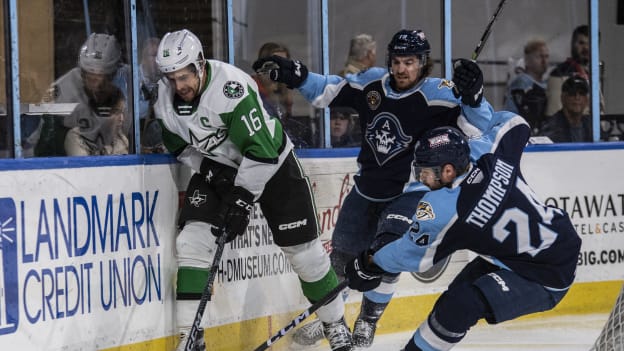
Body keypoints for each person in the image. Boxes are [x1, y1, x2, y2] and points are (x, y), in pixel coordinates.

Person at [253, 29, 493, 348]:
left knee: (387, 254)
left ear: (424, 63)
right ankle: (329, 317)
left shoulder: (441, 94)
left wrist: (474, 96)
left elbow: (479, 127)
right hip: (365, 189)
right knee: (340, 258)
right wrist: (294, 75)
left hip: (408, 192)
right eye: (397, 61)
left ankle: (367, 322)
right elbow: (328, 91)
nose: (402, 68)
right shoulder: (372, 84)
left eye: (410, 62)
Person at [152, 29, 353, 351]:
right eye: (172, 78)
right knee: (192, 241)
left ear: (200, 64)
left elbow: (262, 153)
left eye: (184, 76)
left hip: (272, 164)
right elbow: (179, 147)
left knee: (306, 255)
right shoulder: (165, 99)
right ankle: (190, 337)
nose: (179, 86)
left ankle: (334, 323)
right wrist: (210, 170)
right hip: (220, 167)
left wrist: (242, 201)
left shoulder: (230, 90)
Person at [344, 119, 582, 351]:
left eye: (425, 172)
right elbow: (516, 124)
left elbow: (409, 256)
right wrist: (475, 99)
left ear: (448, 171)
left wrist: (370, 262)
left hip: (547, 275)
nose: (421, 178)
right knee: (453, 300)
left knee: (460, 305)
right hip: (551, 241)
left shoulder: (444, 209)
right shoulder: (487, 153)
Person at [36, 33, 133, 156]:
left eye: (101, 78)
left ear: (114, 74)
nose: (95, 86)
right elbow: (43, 143)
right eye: (90, 77)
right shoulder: (62, 91)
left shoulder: (128, 84)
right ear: (82, 72)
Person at [252, 42, 312, 148]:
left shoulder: (284, 88)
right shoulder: (251, 88)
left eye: (284, 63)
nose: (280, 67)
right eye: (276, 62)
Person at [64, 85, 129, 155]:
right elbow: (84, 165)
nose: (121, 119)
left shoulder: (121, 140)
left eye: (122, 112)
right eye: (116, 112)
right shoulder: (76, 137)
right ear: (100, 114)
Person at [545, 25, 594, 116]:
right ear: (573, 44)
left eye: (590, 44)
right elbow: (553, 113)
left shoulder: (592, 75)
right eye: (581, 43)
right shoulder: (559, 74)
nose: (586, 48)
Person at [503, 39, 549, 133]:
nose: (544, 61)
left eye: (546, 56)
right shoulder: (521, 83)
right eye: (539, 57)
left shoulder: (548, 83)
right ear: (527, 60)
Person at [539, 75, 592, 143]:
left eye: (581, 93)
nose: (577, 97)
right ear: (563, 98)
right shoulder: (551, 127)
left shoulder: (591, 125)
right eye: (572, 93)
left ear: (587, 99)